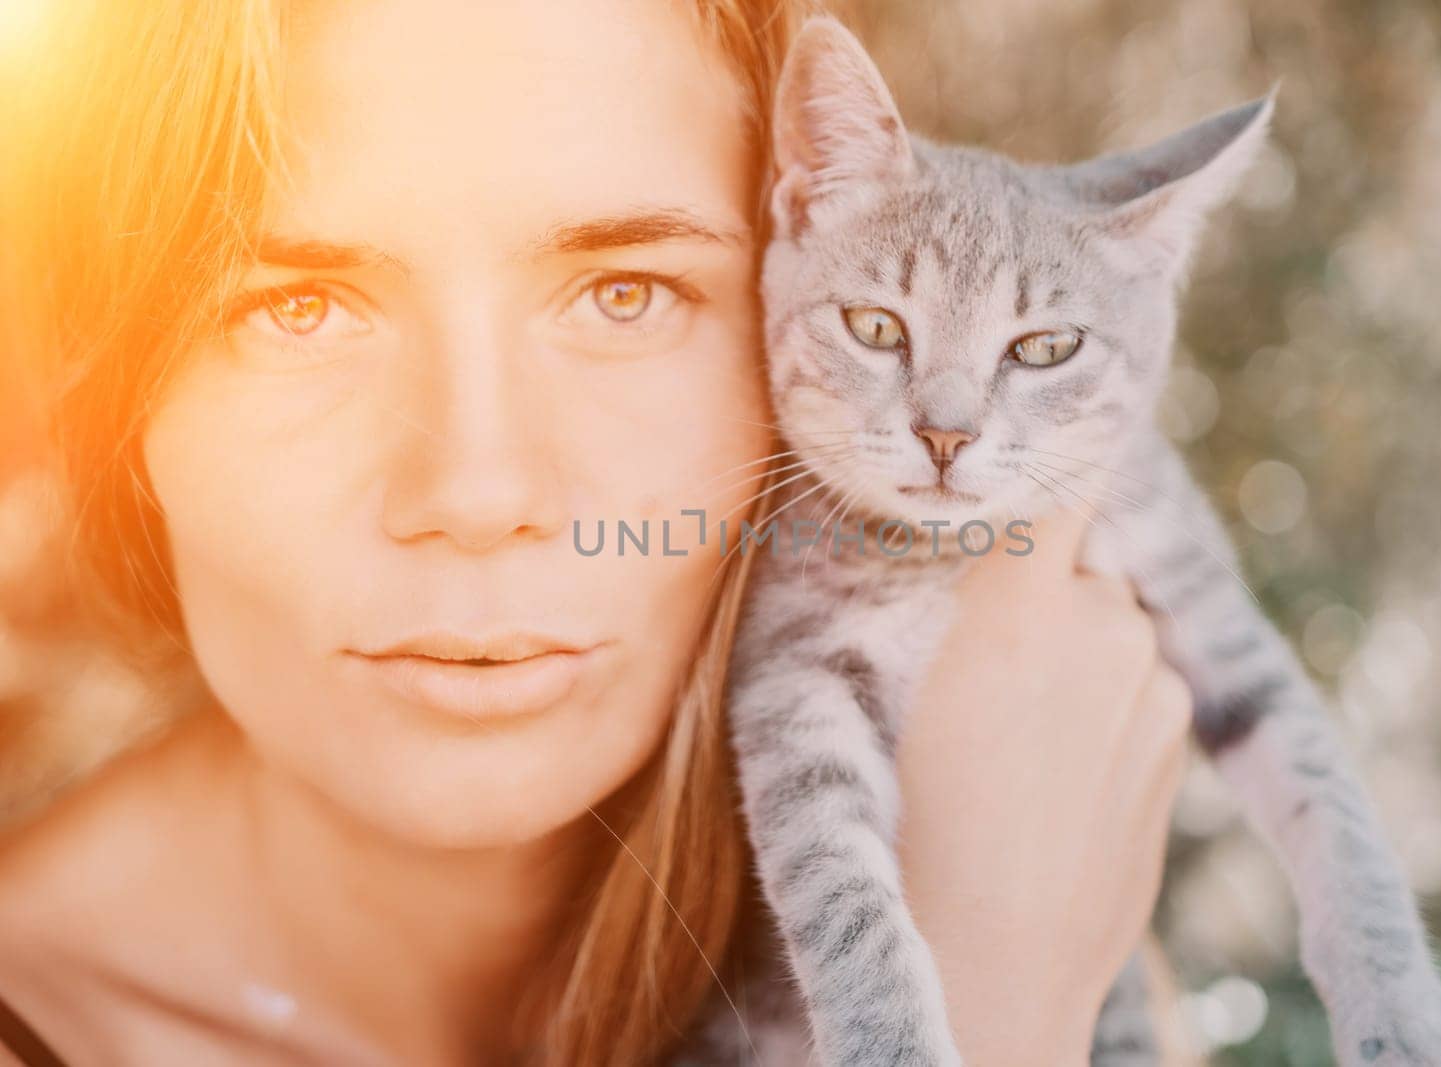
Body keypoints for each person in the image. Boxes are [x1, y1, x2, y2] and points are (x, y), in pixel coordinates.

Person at [0, 1, 1193, 1064]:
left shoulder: (970, 843)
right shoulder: (986, 926)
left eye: (626, 293)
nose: (477, 490)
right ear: (118, 396)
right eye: (296, 308)